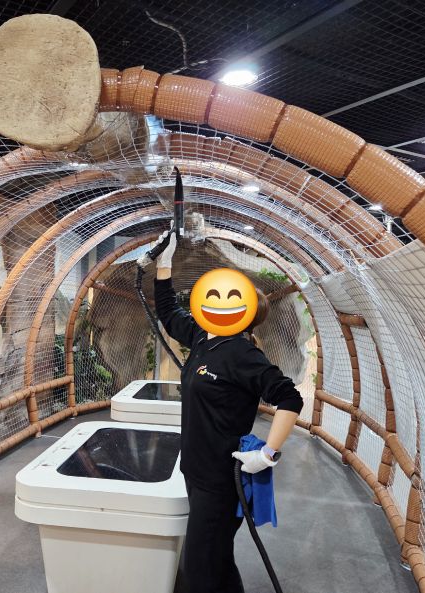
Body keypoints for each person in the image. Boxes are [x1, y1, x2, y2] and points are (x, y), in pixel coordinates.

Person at [151, 231, 303, 593]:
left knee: (199, 567)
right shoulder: (203, 338)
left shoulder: (241, 354)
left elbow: (290, 398)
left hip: (220, 479)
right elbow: (169, 314)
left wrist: (267, 454)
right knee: (216, 558)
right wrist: (164, 264)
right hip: (195, 470)